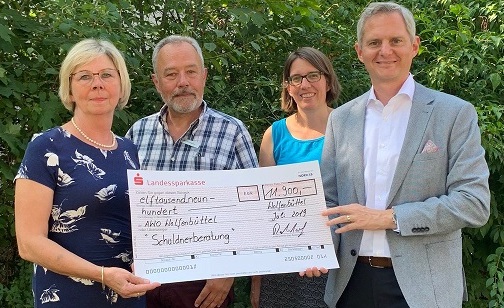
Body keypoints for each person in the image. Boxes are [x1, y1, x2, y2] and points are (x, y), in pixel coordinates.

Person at [303, 2, 491, 308]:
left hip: (423, 290)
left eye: (396, 41)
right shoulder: (342, 119)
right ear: (359, 51)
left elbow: (474, 203)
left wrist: (388, 219)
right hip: (351, 285)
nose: (385, 51)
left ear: (414, 46)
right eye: (374, 42)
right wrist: (314, 248)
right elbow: (328, 201)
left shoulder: (454, 114)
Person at [14, 39, 160, 307]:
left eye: (106, 74)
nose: (97, 84)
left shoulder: (129, 151)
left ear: (121, 84)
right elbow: (29, 243)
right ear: (69, 90)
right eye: (84, 76)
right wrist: (102, 275)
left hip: (129, 295)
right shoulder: (46, 148)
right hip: (68, 297)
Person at [126, 35, 258, 308]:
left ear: (204, 76)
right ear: (156, 82)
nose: (182, 82)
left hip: (204, 285)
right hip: (143, 280)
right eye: (171, 74)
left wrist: (228, 272)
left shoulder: (232, 131)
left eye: (191, 71)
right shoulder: (137, 134)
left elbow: (253, 210)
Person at [250, 47, 341, 308]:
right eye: (296, 78)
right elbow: (262, 214)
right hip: (283, 266)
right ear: (288, 87)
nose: (305, 85)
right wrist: (258, 280)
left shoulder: (349, 127)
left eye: (313, 75)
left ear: (327, 80)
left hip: (338, 261)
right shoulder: (274, 134)